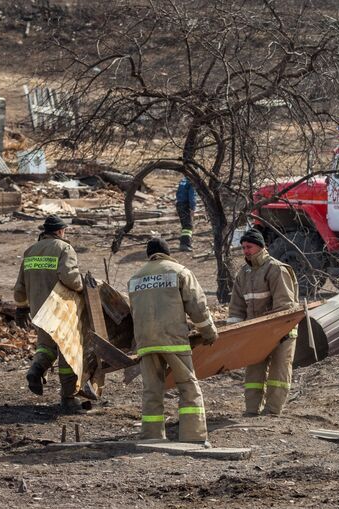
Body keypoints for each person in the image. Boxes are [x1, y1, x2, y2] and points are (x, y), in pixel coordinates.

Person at [128, 238, 217, 444]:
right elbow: (197, 305)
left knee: (151, 389)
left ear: (148, 255)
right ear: (168, 253)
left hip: (146, 342)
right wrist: (208, 332)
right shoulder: (179, 271)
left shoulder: (135, 278)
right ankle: (193, 435)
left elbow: (134, 311)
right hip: (173, 339)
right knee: (187, 385)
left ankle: (151, 436)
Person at [13, 215, 85, 413]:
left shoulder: (30, 251)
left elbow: (20, 287)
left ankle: (36, 370)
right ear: (61, 231)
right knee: (68, 353)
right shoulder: (64, 248)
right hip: (61, 311)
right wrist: (83, 287)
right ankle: (68, 398)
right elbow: (70, 277)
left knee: (46, 346)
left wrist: (22, 307)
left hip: (38, 311)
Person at [227, 229, 299, 416]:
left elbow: (285, 307)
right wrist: (233, 334)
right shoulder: (243, 274)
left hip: (282, 331)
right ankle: (251, 410)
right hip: (256, 333)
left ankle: (272, 412)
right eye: (243, 247)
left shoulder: (276, 269)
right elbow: (236, 308)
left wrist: (268, 332)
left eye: (249, 247)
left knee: (278, 373)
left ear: (261, 246)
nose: (246, 251)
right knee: (253, 373)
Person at [176, 177, 196, 251]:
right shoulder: (191, 182)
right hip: (186, 205)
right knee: (188, 226)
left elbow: (177, 193)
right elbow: (192, 196)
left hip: (179, 204)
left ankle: (186, 242)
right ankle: (184, 245)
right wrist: (192, 208)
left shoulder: (183, 180)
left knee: (185, 225)